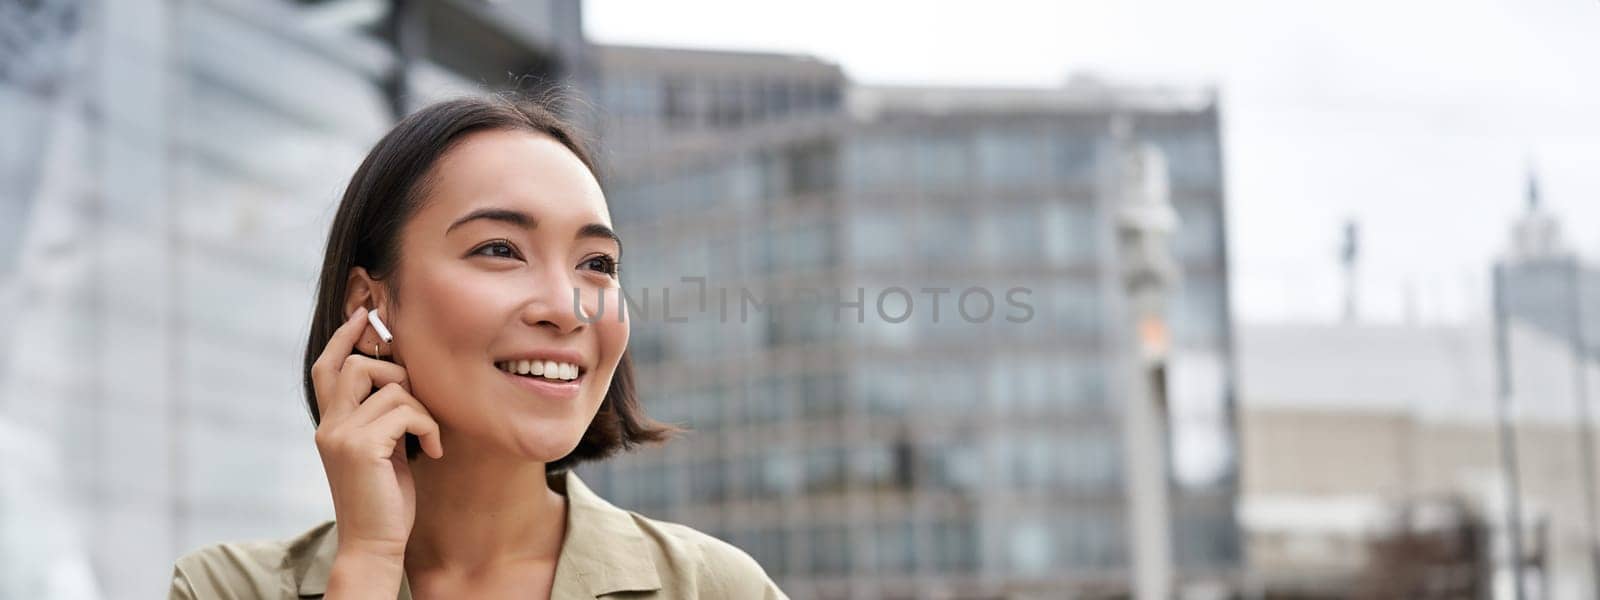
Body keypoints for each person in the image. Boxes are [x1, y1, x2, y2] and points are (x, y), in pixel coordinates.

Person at [168, 95, 786, 599]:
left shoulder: (715, 588)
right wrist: (369, 563)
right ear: (368, 305)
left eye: (597, 263)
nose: (566, 308)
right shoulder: (225, 588)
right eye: (499, 249)